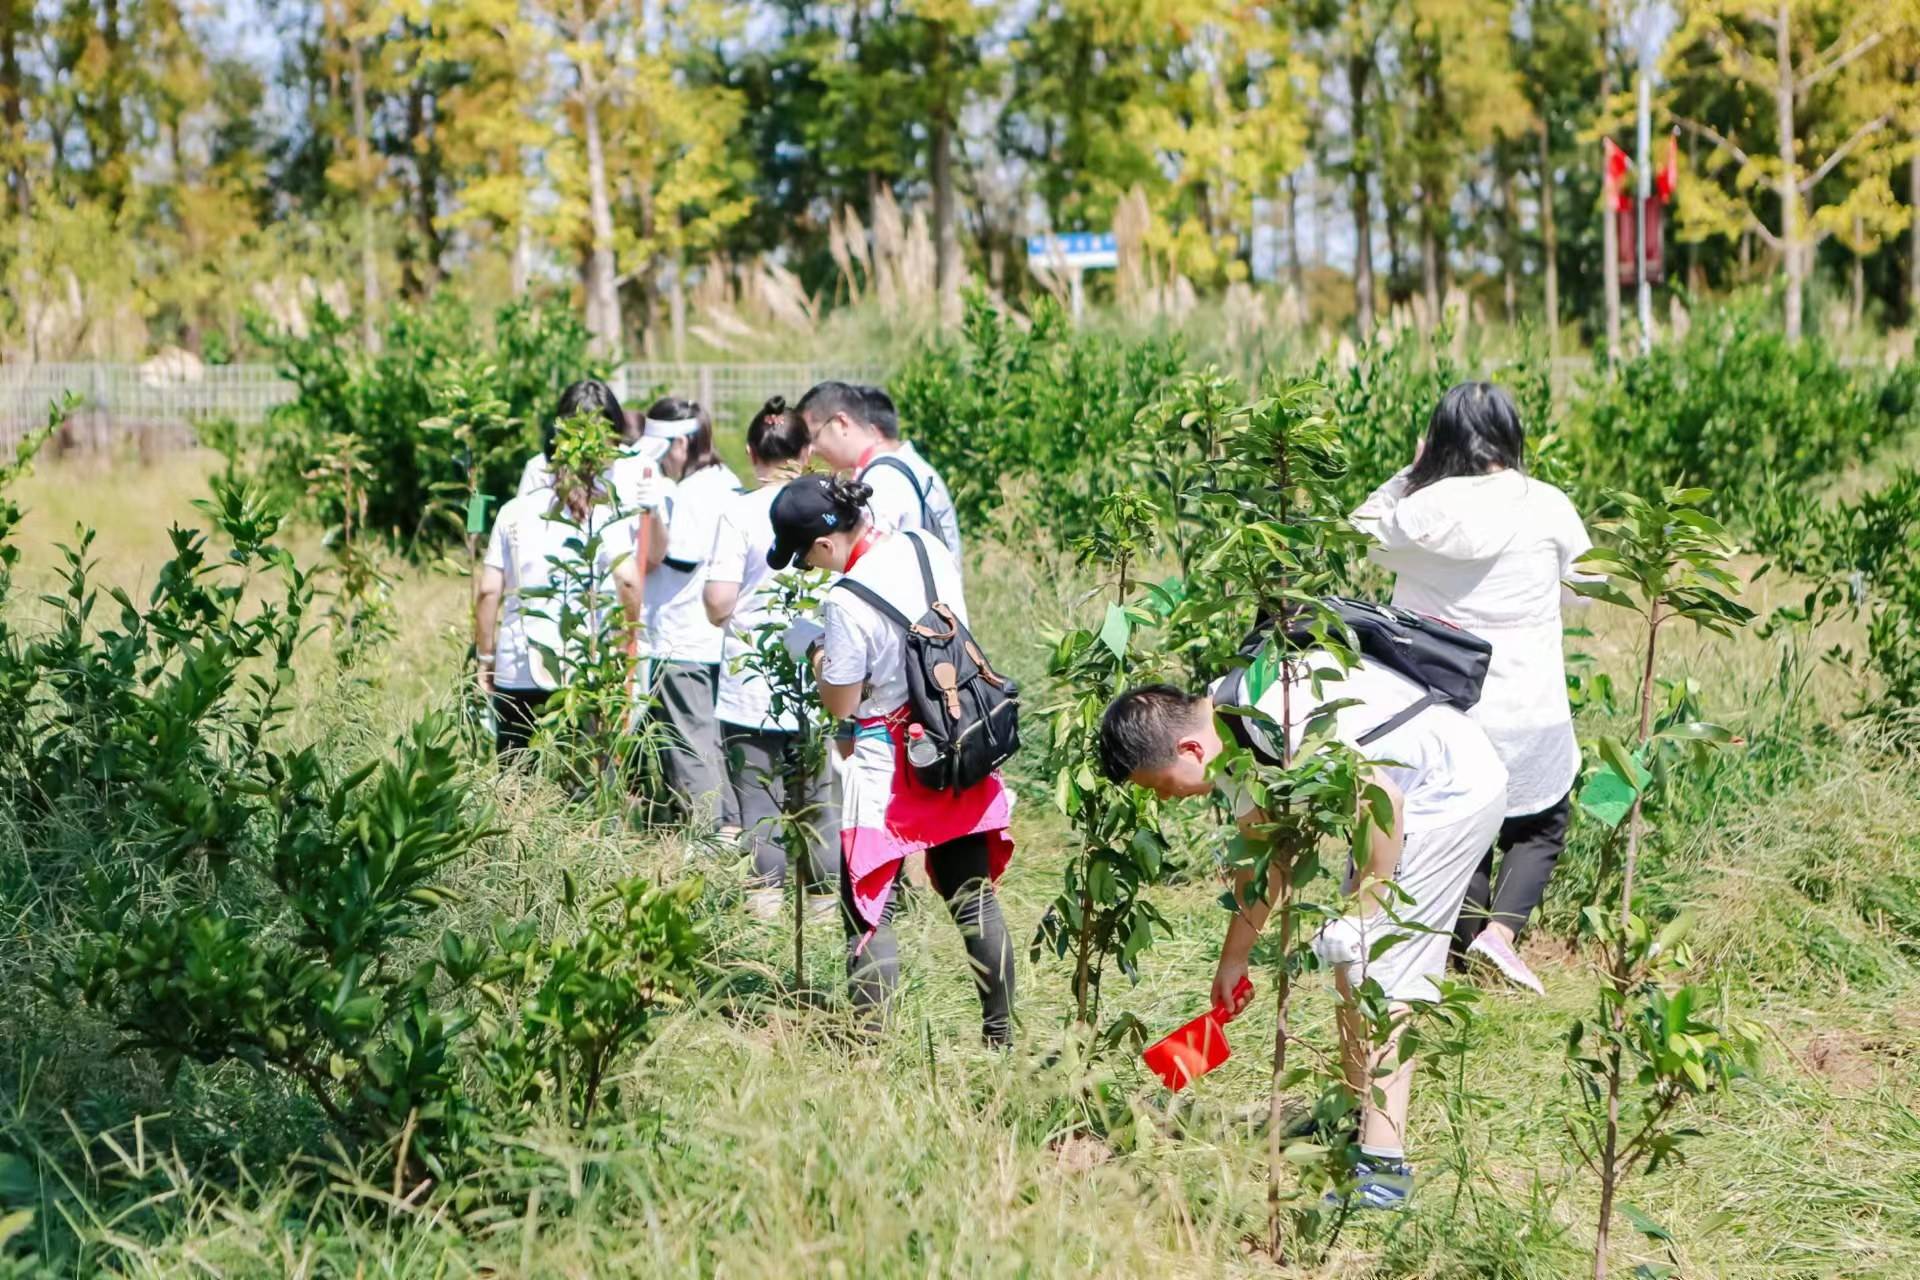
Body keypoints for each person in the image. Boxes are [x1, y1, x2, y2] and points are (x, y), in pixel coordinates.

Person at [1099, 639, 1508, 1211]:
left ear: (1188, 749)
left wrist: (1366, 910)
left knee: (1379, 970)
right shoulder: (1231, 736)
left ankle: (1384, 1173)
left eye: (1165, 787)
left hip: (1445, 792)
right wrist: (1233, 959)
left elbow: (1380, 799)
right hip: (1399, 801)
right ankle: (1354, 1118)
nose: (1176, 800)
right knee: (1353, 964)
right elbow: (1266, 859)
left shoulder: (1276, 714)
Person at [1351, 382, 1596, 997]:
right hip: (1531, 703)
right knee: (1539, 823)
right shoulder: (1546, 503)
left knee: (1459, 816)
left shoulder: (1420, 511)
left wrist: (1411, 472)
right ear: (1512, 435)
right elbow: (1585, 587)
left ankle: (1463, 940)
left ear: (1440, 440)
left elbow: (1356, 529)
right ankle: (1500, 936)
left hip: (1446, 707)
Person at [767, 474, 1015, 1046]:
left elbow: (842, 700)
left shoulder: (845, 601)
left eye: (805, 559)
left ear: (825, 545)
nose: (811, 569)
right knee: (973, 897)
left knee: (868, 907)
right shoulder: (925, 544)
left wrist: (813, 647)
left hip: (891, 765)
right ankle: (1001, 1040)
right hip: (957, 740)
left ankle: (868, 1047)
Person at [704, 397, 841, 920]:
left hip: (750, 682)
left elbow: (719, 600)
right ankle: (825, 910)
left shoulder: (736, 513)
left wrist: (732, 617)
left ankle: (763, 914)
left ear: (749, 452)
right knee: (816, 800)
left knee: (758, 801)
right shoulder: (827, 504)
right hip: (818, 675)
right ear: (806, 452)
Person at [475, 383, 664, 755]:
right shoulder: (597, 509)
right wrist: (629, 640)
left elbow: (490, 587)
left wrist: (485, 656)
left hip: (530, 656)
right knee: (591, 768)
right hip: (594, 659)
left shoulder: (636, 471)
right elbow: (628, 579)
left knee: (517, 771)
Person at [636, 396, 739, 829]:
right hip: (719, 639)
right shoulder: (727, 480)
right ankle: (732, 832)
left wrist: (653, 508)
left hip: (684, 643)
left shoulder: (694, 493)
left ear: (680, 445)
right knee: (717, 746)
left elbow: (670, 556)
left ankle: (709, 840)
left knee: (691, 749)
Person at [795, 380, 962, 562]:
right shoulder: (904, 468)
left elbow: (873, 565)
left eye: (813, 437)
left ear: (841, 423)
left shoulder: (883, 479)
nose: (812, 450)